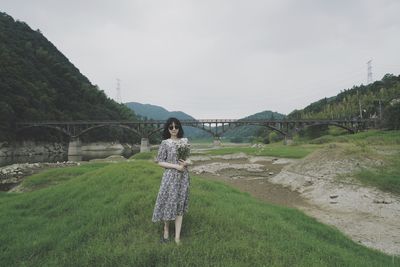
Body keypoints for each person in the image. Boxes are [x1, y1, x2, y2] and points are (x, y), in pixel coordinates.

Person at [152, 117, 191, 245]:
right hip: (170, 177)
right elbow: (159, 161)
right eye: (171, 127)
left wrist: (187, 162)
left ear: (179, 128)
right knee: (168, 203)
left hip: (183, 178)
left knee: (179, 205)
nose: (174, 129)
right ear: (168, 129)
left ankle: (177, 238)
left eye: (176, 126)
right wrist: (176, 166)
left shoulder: (185, 141)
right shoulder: (165, 143)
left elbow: (190, 159)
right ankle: (166, 229)